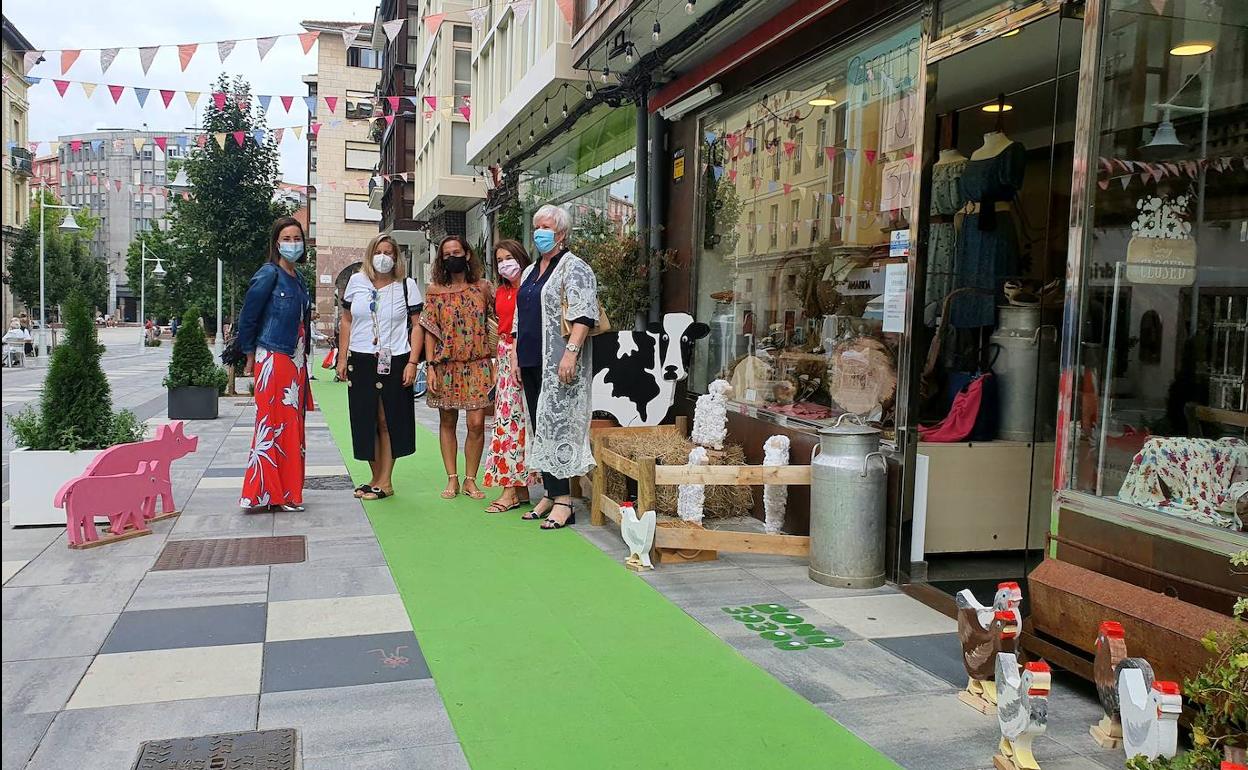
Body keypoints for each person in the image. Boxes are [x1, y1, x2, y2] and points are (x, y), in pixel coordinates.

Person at [515, 204, 598, 530]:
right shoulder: (529, 271)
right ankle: (550, 493)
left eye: (546, 226)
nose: (540, 232)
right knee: (541, 427)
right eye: (537, 226)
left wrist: (571, 353)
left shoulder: (574, 267)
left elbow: (584, 315)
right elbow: (521, 317)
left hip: (559, 363)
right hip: (531, 359)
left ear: (561, 233)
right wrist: (514, 356)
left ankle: (565, 501)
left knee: (560, 426)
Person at [236, 215, 314, 513]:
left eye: (297, 239)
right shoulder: (268, 274)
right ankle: (265, 493)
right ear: (276, 243)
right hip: (272, 357)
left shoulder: (300, 278)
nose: (292, 244)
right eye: (287, 239)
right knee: (272, 426)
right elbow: (249, 315)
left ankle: (287, 491)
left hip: (295, 360)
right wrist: (248, 352)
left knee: (292, 427)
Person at [337, 234, 423, 500]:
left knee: (388, 419)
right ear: (370, 254)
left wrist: (412, 362)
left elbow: (417, 325)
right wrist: (342, 358)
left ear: (396, 258)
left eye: (389, 252)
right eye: (379, 251)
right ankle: (375, 477)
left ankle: (386, 481)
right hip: (361, 358)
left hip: (395, 358)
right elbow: (347, 321)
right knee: (367, 419)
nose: (383, 257)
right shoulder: (356, 282)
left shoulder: (406, 286)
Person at [420, 235, 494, 501]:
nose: (452, 257)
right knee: (447, 419)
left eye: (456, 251)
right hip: (445, 364)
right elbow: (429, 329)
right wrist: (429, 366)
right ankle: (452, 478)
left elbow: (499, 321)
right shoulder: (434, 291)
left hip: (478, 363)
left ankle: (471, 479)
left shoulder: (483, 287)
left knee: (476, 423)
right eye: (446, 254)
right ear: (441, 259)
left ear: (467, 254)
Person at [482, 240, 540, 513]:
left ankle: (510, 489)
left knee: (515, 421)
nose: (505, 263)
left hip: (525, 356)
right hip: (505, 356)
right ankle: (519, 487)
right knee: (508, 419)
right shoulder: (502, 292)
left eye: (509, 257)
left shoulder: (531, 288)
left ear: (521, 257)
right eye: (500, 259)